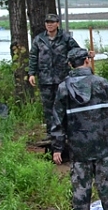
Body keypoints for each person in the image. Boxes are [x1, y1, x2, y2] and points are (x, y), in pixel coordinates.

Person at [50, 46, 108, 210]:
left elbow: (57, 120)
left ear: (70, 64)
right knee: (107, 187)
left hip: (78, 148)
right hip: (103, 146)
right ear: (87, 61)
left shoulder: (63, 89)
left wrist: (57, 147)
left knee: (81, 190)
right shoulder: (102, 83)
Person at [29, 12, 82, 147]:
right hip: (45, 79)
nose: (49, 25)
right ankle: (51, 132)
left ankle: (66, 131)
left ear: (57, 24)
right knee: (48, 107)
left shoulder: (65, 38)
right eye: (47, 22)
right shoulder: (39, 39)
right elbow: (33, 57)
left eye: (52, 22)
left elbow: (76, 51)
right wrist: (31, 73)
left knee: (65, 105)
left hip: (63, 78)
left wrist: (87, 54)